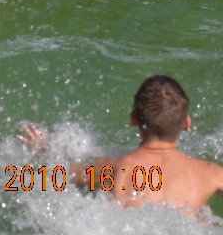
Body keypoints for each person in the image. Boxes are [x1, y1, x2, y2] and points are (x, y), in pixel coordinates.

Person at [20, 75, 223, 213]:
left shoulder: (114, 168)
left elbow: (61, 176)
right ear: (187, 124)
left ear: (133, 118)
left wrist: (44, 152)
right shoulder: (210, 173)